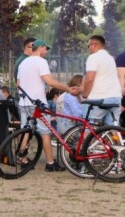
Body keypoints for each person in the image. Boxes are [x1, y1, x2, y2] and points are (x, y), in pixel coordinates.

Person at [17, 39, 78, 172]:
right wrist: (67, 89)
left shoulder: (23, 63)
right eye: (46, 49)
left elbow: (18, 84)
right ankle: (50, 163)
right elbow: (50, 81)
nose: (46, 52)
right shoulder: (41, 61)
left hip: (24, 102)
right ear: (41, 48)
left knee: (25, 130)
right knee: (45, 132)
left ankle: (23, 160)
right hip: (37, 103)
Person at [82, 35, 121, 125]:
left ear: (94, 44)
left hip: (98, 99)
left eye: (88, 46)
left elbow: (90, 79)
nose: (88, 49)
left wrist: (84, 96)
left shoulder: (93, 57)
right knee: (112, 129)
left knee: (89, 129)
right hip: (115, 97)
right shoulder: (110, 58)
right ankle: (115, 139)